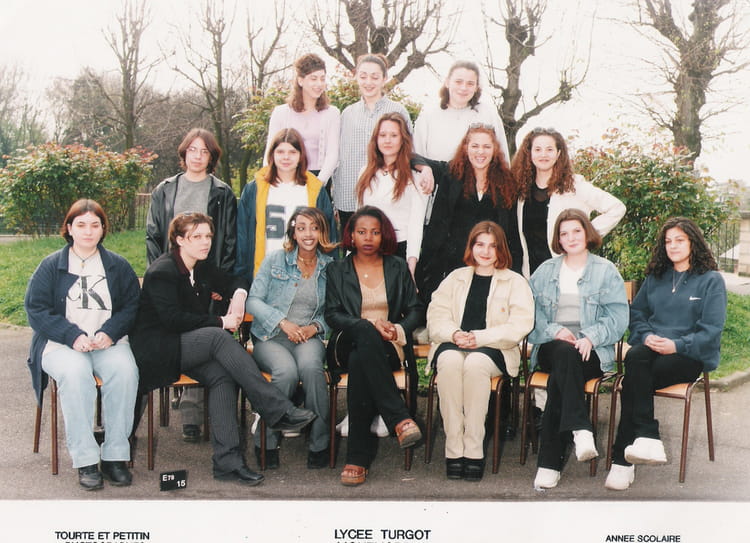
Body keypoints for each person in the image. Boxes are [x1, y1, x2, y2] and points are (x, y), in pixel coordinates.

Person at [131, 212, 317, 486]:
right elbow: (172, 320)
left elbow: (235, 281)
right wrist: (221, 321)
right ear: (180, 240)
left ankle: (228, 463)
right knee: (217, 337)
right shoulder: (162, 272)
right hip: (158, 349)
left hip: (188, 345)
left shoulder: (200, 265)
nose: (205, 242)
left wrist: (238, 297)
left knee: (223, 375)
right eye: (197, 237)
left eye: (208, 236)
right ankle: (274, 408)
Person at [25, 199, 140, 490]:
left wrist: (110, 332)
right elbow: (36, 309)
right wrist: (72, 335)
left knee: (125, 372)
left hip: (108, 343)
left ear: (103, 229)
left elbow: (132, 306)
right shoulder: (51, 265)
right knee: (76, 376)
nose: (88, 231)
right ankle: (86, 460)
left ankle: (115, 456)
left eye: (94, 225)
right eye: (81, 225)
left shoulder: (117, 266)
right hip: (62, 344)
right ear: (69, 228)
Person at [606, 217, 727, 491]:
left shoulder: (711, 280)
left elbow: (711, 330)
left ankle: (622, 460)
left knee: (634, 382)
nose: (672, 246)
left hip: (688, 355)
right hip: (652, 349)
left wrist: (677, 345)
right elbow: (637, 314)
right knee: (635, 358)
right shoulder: (656, 277)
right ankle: (647, 437)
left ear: (693, 243)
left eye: (679, 240)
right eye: (668, 241)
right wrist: (646, 336)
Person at [146, 127, 237, 443]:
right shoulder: (165, 190)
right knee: (178, 332)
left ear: (212, 157)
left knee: (202, 334)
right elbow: (153, 236)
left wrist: (220, 283)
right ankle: (182, 402)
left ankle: (192, 415)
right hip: (172, 278)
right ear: (184, 153)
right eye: (192, 150)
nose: (198, 156)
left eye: (205, 151)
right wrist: (160, 276)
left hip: (205, 279)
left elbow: (227, 242)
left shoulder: (222, 193)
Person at [527, 209, 628, 490]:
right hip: (552, 347)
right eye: (564, 233)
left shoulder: (605, 271)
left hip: (591, 352)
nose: (570, 238)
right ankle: (580, 428)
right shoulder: (545, 271)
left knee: (561, 377)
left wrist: (590, 337)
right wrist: (554, 331)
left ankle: (549, 464)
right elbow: (530, 314)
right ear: (558, 239)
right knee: (563, 352)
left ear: (587, 233)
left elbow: (618, 318)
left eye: (576, 231)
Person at [325, 206, 425, 486]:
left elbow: (416, 309)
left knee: (362, 360)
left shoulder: (397, 266)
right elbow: (332, 314)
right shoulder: (337, 269)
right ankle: (399, 417)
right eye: (361, 232)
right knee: (363, 336)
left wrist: (397, 329)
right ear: (351, 236)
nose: (368, 238)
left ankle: (357, 458)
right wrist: (368, 325)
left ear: (384, 236)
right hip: (346, 342)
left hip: (387, 346)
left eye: (375, 232)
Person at [426, 221, 533, 481]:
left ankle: (473, 449)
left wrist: (480, 337)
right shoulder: (455, 278)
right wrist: (454, 334)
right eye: (480, 244)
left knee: (475, 365)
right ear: (471, 246)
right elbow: (436, 315)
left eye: (492, 246)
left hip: (493, 348)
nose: (485, 252)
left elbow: (520, 325)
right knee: (449, 361)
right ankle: (454, 448)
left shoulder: (515, 282)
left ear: (501, 249)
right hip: (453, 342)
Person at [246, 207, 337, 470]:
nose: (308, 234)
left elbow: (334, 312)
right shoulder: (276, 260)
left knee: (312, 370)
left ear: (322, 232)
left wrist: (314, 328)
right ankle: (265, 441)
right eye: (301, 228)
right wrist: (282, 322)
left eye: (314, 228)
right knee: (285, 373)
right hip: (271, 336)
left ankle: (320, 444)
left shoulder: (331, 267)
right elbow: (253, 301)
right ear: (293, 233)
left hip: (307, 337)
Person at [417, 123, 519, 305]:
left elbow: (511, 230)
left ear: (495, 149)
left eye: (486, 146)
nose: (480, 152)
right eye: (475, 146)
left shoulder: (506, 182)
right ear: (466, 148)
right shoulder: (451, 175)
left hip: (490, 261)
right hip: (454, 262)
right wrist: (425, 169)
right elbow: (437, 225)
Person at [332, 53, 432, 229]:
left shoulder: (398, 111)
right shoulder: (347, 114)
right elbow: (339, 155)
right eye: (363, 76)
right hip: (349, 194)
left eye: (375, 77)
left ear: (384, 79)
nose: (368, 82)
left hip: (386, 196)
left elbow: (409, 150)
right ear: (356, 77)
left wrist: (425, 168)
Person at [509, 127, 626, 278]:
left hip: (567, 274)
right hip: (533, 277)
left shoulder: (575, 185)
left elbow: (616, 208)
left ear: (558, 153)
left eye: (549, 149)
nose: (543, 154)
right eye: (537, 149)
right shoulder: (521, 191)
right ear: (529, 153)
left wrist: (585, 235)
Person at [236, 128, 337, 284]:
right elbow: (242, 237)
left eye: (292, 152)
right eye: (280, 151)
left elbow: (328, 239)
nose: (286, 157)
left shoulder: (315, 190)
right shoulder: (254, 189)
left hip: (304, 278)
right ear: (272, 154)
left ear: (301, 155)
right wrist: (240, 282)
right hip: (264, 275)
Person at [356, 112, 428, 278]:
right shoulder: (365, 172)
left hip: (399, 250)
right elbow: (359, 217)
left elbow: (416, 226)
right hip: (369, 249)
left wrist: (410, 269)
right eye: (382, 135)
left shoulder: (415, 177)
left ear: (403, 139)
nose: (387, 140)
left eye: (394, 135)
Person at [264, 53, 340, 187]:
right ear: (300, 81)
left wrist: (318, 184)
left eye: (322, 79)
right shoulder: (280, 113)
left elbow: (332, 154)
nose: (319, 84)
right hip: (286, 179)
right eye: (313, 79)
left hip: (318, 180)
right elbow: (269, 153)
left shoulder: (332, 113)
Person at [413, 60, 510, 161]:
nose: (464, 88)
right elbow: (417, 158)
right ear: (447, 82)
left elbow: (502, 157)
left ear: (476, 87)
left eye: (470, 83)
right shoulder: (428, 116)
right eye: (458, 82)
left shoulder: (488, 114)